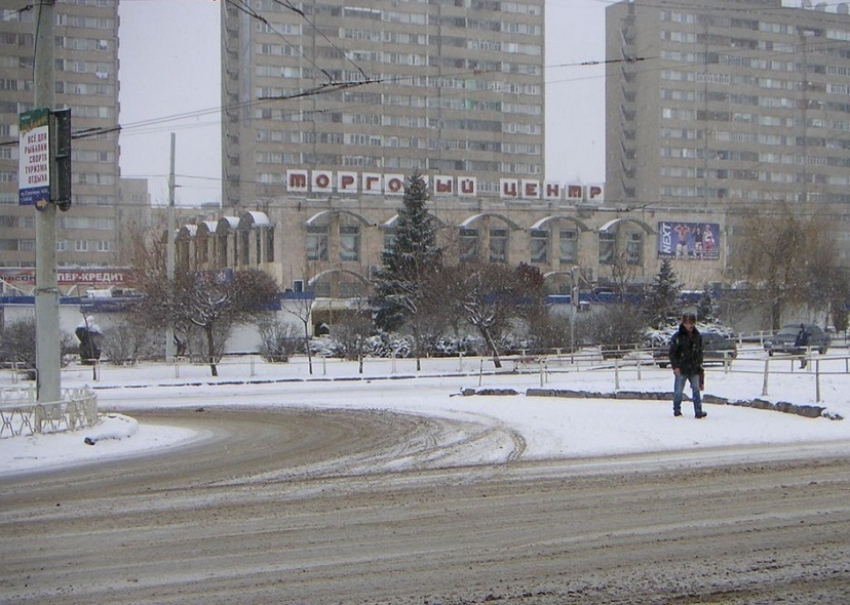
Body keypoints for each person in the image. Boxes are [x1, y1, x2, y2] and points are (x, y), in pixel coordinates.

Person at [668, 313, 707, 419]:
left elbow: (699, 352)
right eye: (687, 323)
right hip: (681, 367)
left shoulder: (697, 336)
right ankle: (677, 410)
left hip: (694, 367)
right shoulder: (678, 337)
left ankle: (698, 410)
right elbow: (672, 353)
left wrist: (699, 365)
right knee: (678, 391)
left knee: (696, 389)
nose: (689, 325)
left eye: (691, 323)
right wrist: (675, 366)